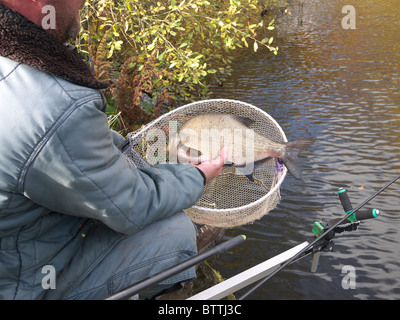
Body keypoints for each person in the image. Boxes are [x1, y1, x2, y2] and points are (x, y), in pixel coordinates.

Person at [0, 0, 227, 299]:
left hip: (16, 249)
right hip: (25, 285)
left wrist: (116, 147)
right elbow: (131, 204)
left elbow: (59, 149)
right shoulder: (57, 105)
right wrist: (197, 176)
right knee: (174, 231)